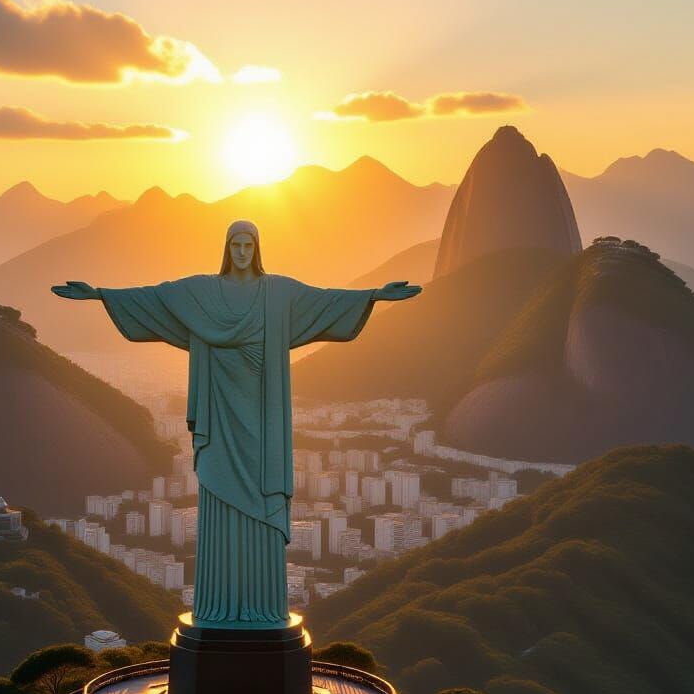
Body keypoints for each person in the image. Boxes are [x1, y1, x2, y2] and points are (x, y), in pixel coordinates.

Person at [51, 223, 420, 627]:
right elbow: (157, 297)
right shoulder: (203, 293)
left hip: (263, 419)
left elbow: (324, 301)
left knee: (260, 501)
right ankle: (219, 607)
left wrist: (374, 296)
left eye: (249, 244)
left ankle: (262, 608)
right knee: (219, 497)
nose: (242, 251)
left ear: (257, 248)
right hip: (220, 415)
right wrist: (101, 294)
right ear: (226, 248)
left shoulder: (278, 293)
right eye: (235, 244)